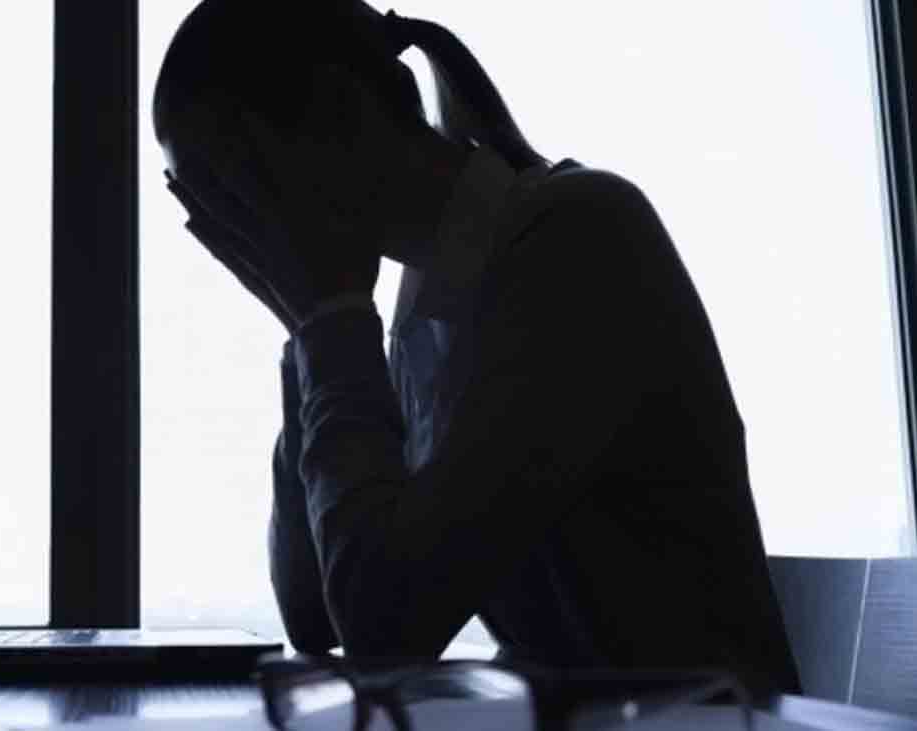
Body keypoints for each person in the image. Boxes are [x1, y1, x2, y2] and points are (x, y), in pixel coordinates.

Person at [153, 0, 801, 695]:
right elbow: (316, 614)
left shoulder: (578, 243)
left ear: (340, 114)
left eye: (234, 186)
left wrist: (327, 322)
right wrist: (306, 328)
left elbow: (383, 625)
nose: (235, 229)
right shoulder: (422, 302)